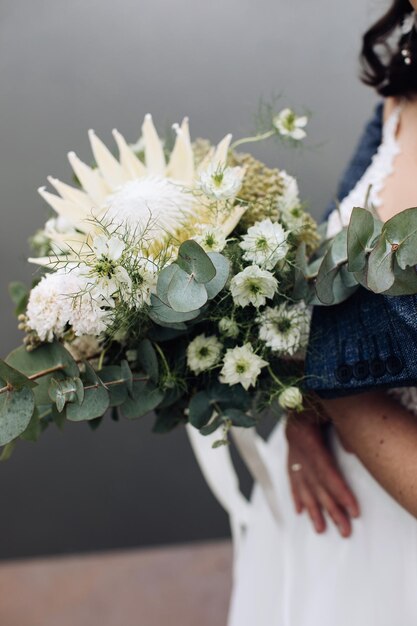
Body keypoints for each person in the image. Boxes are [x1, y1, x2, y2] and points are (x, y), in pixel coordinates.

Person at [227, 1, 417, 624]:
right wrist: (303, 418)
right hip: (327, 516)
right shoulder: (395, 105)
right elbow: (323, 291)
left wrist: (329, 391)